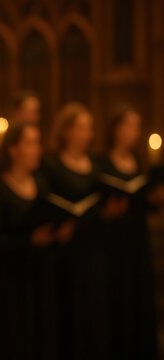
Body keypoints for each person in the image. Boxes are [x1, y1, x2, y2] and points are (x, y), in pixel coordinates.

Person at [41, 102, 126, 360]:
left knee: (95, 307)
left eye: (90, 128)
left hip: (95, 247)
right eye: (81, 128)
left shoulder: (98, 164)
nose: (87, 134)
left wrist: (108, 211)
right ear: (66, 131)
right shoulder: (52, 165)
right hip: (66, 249)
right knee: (70, 308)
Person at [0, 122, 73, 360]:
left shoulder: (41, 184)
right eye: (30, 143)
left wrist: (57, 234)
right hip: (9, 280)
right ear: (13, 149)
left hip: (39, 275)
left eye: (38, 143)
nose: (37, 150)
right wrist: (28, 241)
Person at [100, 106, 159, 360]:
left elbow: (144, 201)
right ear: (116, 129)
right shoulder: (102, 163)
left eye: (138, 126)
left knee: (139, 297)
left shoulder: (140, 161)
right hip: (113, 244)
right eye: (130, 126)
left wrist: (154, 198)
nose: (135, 132)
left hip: (137, 240)